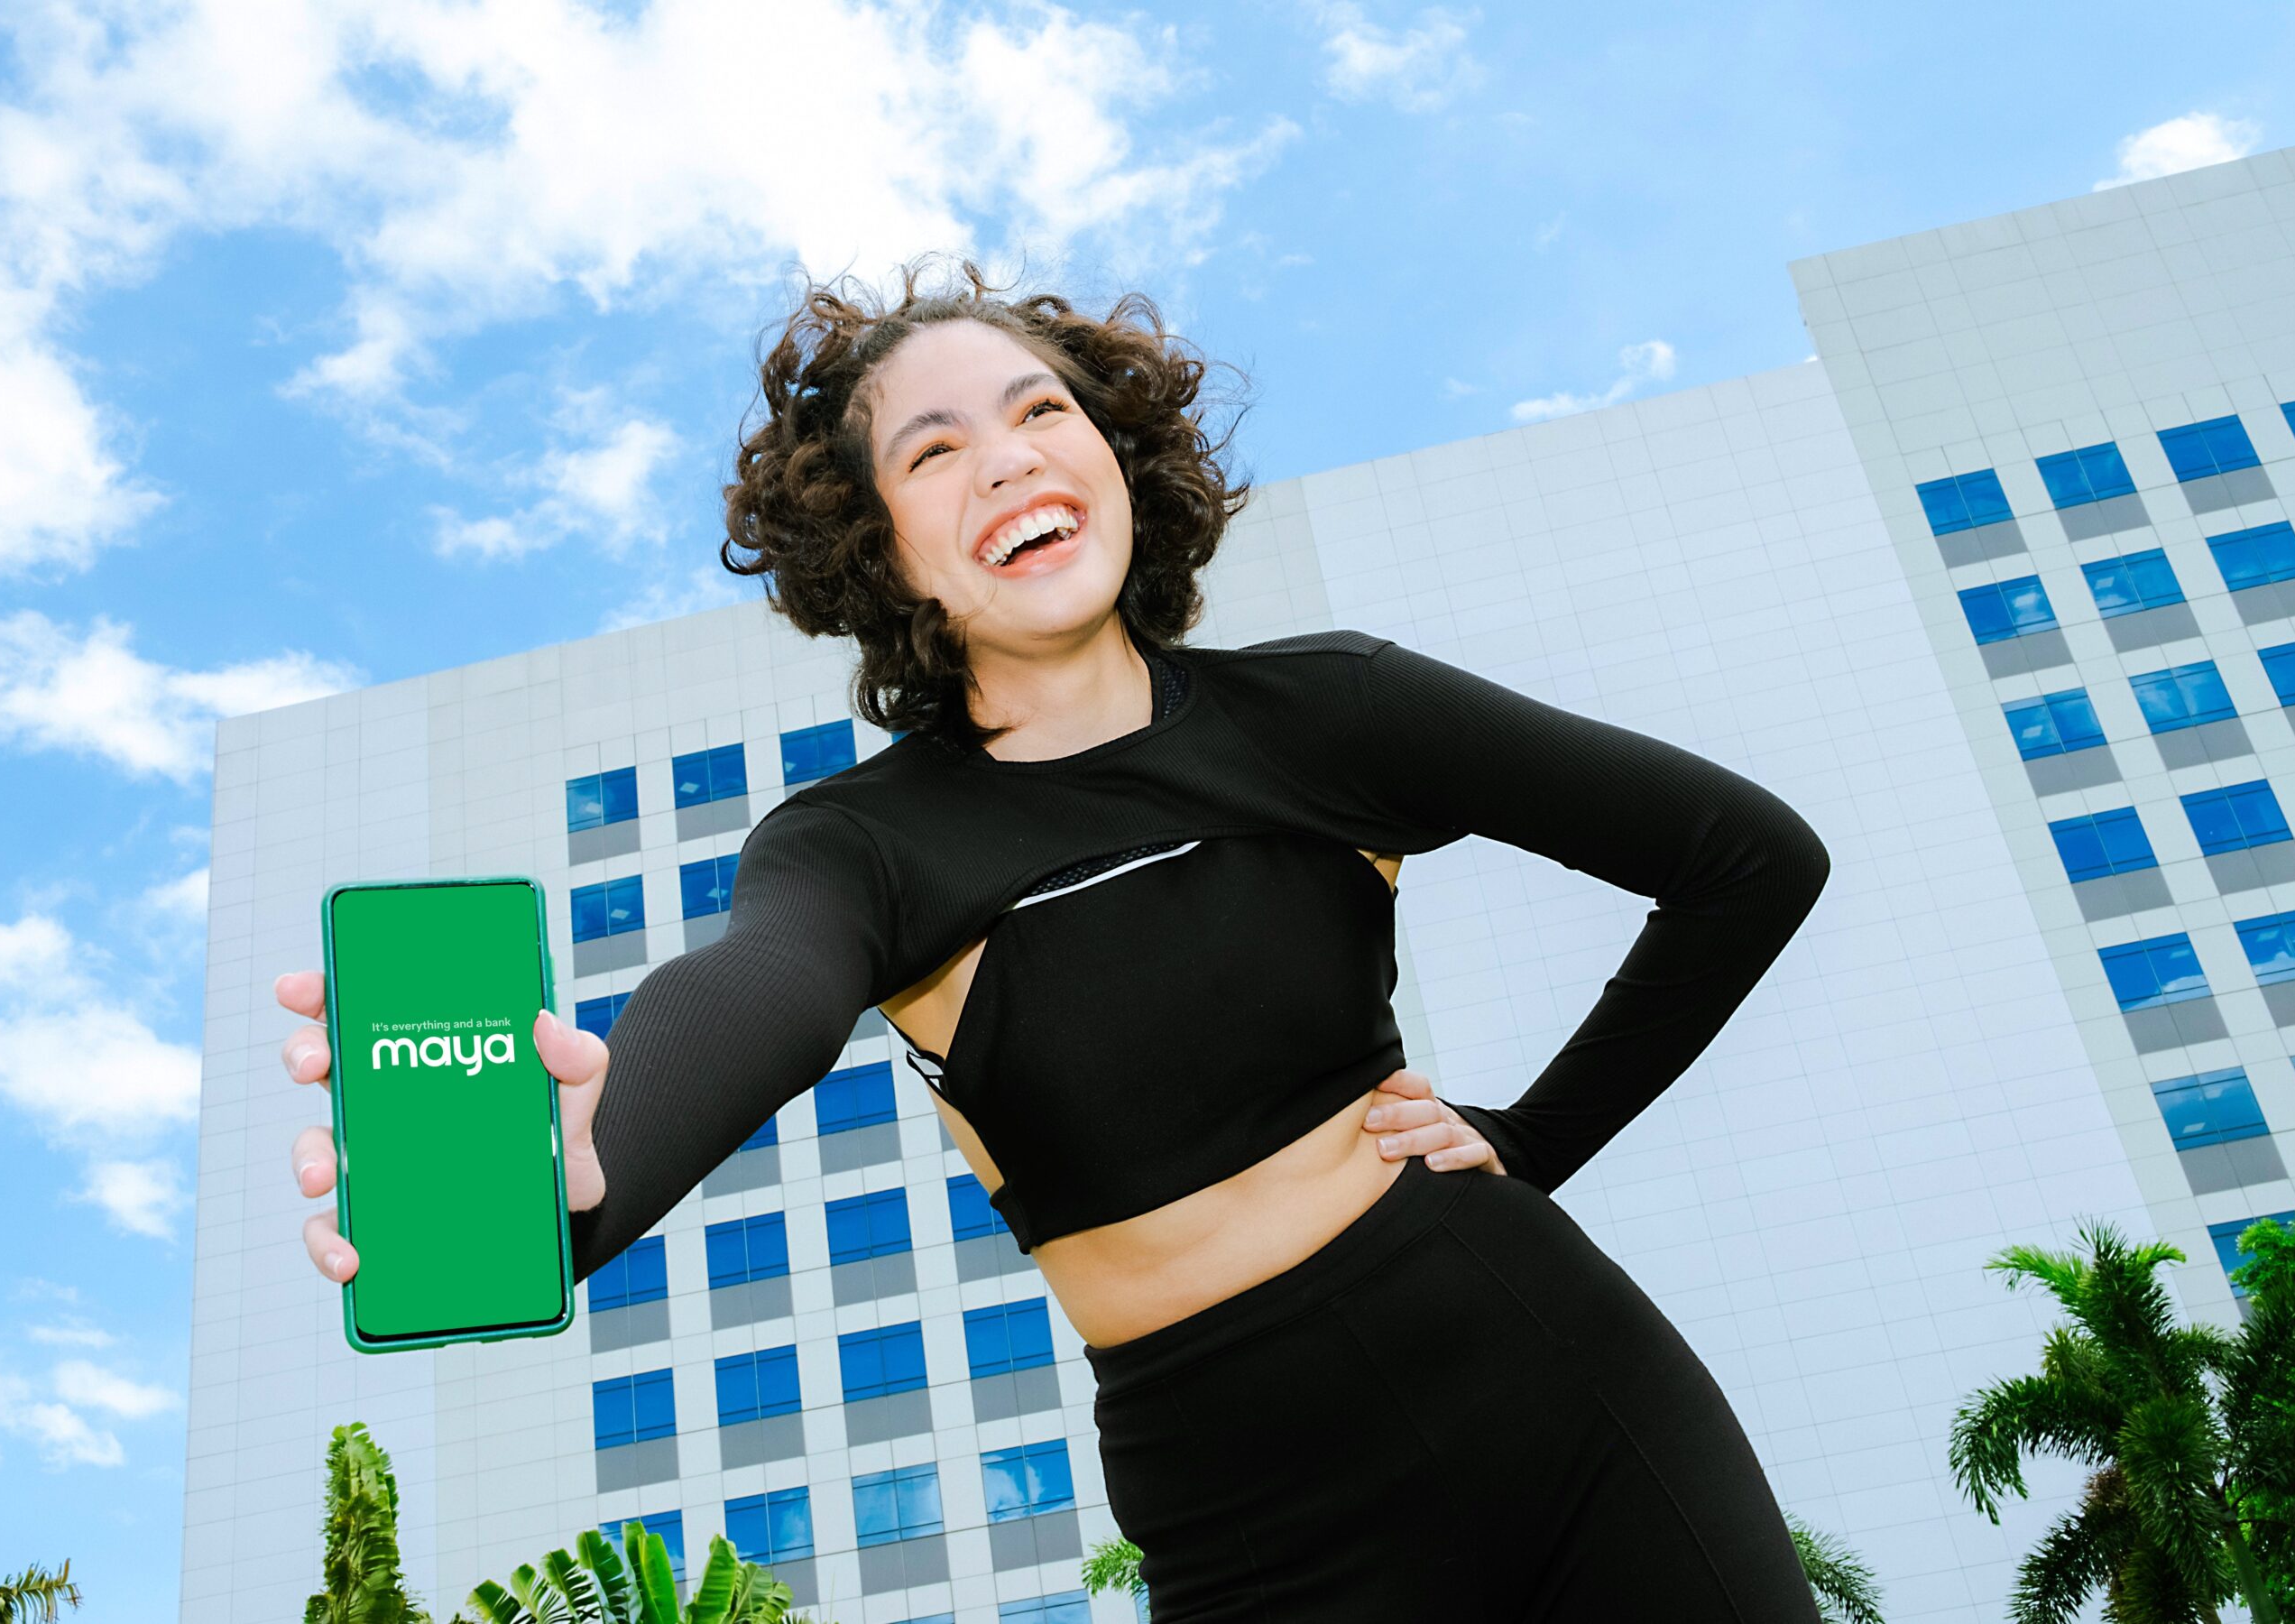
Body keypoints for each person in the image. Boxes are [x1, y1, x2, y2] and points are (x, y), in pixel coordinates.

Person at [273, 256, 1833, 1619]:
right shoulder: (860, 848)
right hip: (1247, 1506)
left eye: (1041, 412)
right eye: (935, 449)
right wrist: (577, 1164)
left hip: (1553, 1379)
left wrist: (1532, 1140)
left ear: (1114, 453)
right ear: (880, 547)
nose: (1009, 459)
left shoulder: (1335, 710)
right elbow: (765, 991)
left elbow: (1746, 861)